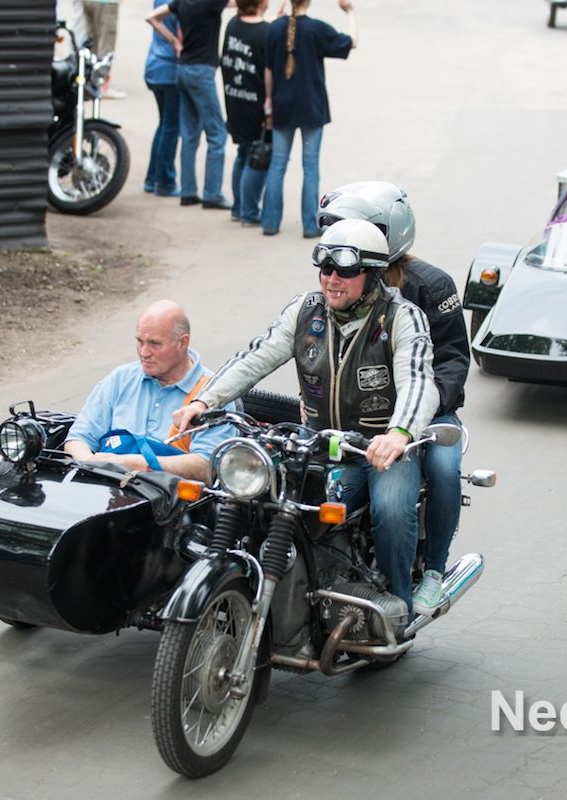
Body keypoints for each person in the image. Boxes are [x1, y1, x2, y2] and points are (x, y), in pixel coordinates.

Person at [172, 219, 438, 619]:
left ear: (372, 274)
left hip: (379, 449)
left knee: (391, 509)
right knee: (258, 494)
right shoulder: (305, 310)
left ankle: (398, 606)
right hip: (319, 443)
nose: (332, 279)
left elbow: (418, 380)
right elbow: (256, 356)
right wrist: (203, 401)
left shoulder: (401, 317)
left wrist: (398, 434)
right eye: (326, 269)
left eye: (346, 271)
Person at [315, 181, 469, 616]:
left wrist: (414, 414)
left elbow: (454, 360)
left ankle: (434, 570)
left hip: (429, 414)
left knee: (443, 468)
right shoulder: (344, 278)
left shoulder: (433, 285)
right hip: (360, 420)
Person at [63, 300, 238, 481]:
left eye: (155, 344)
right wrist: (90, 463)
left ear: (183, 343)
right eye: (140, 341)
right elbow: (78, 438)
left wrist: (128, 463)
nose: (144, 352)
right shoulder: (120, 379)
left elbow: (207, 466)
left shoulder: (211, 395)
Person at [260, 0, 356, 237]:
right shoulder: (316, 29)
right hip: (311, 107)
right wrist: (350, 12)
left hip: (282, 105)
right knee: (310, 166)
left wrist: (268, 101)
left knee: (277, 164)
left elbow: (268, 70)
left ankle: (270, 223)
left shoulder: (275, 28)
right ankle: (310, 225)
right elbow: (351, 42)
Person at [146, 0, 235, 210]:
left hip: (183, 69)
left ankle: (188, 191)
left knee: (189, 134)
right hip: (201, 71)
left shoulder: (182, 1)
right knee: (217, 134)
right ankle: (212, 193)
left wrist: (174, 42)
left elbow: (152, 18)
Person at [222, 0, 270, 224]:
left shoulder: (234, 24)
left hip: (235, 98)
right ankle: (249, 211)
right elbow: (269, 72)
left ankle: (238, 207)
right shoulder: (264, 32)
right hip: (255, 104)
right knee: (257, 156)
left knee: (243, 153)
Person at [143, 0, 182, 195]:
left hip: (155, 66)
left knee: (165, 125)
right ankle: (165, 181)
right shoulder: (181, 4)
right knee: (171, 127)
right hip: (170, 69)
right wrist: (174, 41)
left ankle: (153, 178)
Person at [82, 0, 126, 98]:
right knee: (106, 42)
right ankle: (101, 85)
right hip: (106, 3)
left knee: (92, 41)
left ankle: (89, 83)